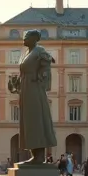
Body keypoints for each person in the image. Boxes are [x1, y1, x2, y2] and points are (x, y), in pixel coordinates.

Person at [8, 30, 57, 165]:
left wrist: (41, 81)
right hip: (26, 89)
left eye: (27, 37)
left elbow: (46, 69)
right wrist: (17, 82)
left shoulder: (40, 51)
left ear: (35, 38)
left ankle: (39, 156)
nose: (24, 39)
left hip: (34, 88)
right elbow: (24, 72)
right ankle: (34, 155)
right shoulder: (26, 53)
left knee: (36, 120)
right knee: (28, 121)